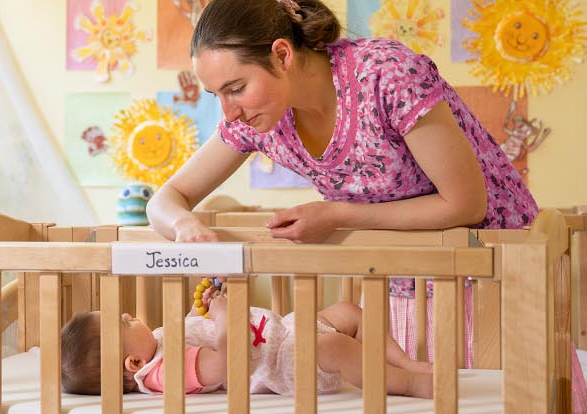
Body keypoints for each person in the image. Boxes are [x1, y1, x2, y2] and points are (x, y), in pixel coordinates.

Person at [145, 0, 539, 367]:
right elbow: (164, 199)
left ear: (282, 55)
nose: (229, 113)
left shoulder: (387, 74)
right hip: (397, 283)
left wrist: (335, 214)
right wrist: (184, 224)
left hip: (491, 274)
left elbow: (465, 205)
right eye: (217, 95)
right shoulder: (262, 120)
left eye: (236, 89)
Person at [59, 293, 433, 397]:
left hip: (281, 332)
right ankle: (407, 384)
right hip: (280, 365)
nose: (130, 315)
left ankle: (403, 363)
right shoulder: (164, 371)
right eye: (125, 322)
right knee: (334, 346)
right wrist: (224, 316)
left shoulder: (156, 342)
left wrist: (201, 309)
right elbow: (226, 365)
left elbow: (195, 332)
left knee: (349, 311)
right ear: (132, 362)